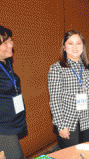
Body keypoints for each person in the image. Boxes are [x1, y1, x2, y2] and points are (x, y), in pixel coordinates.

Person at [48, 30, 89, 149]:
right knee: (72, 155)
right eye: (70, 43)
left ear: (83, 46)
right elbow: (55, 100)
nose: (75, 47)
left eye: (79, 43)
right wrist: (61, 125)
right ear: (64, 47)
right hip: (69, 122)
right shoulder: (56, 68)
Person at [0, 26, 27, 159]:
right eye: (5, 42)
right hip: (3, 130)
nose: (11, 44)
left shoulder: (5, 62)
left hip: (13, 125)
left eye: (10, 40)